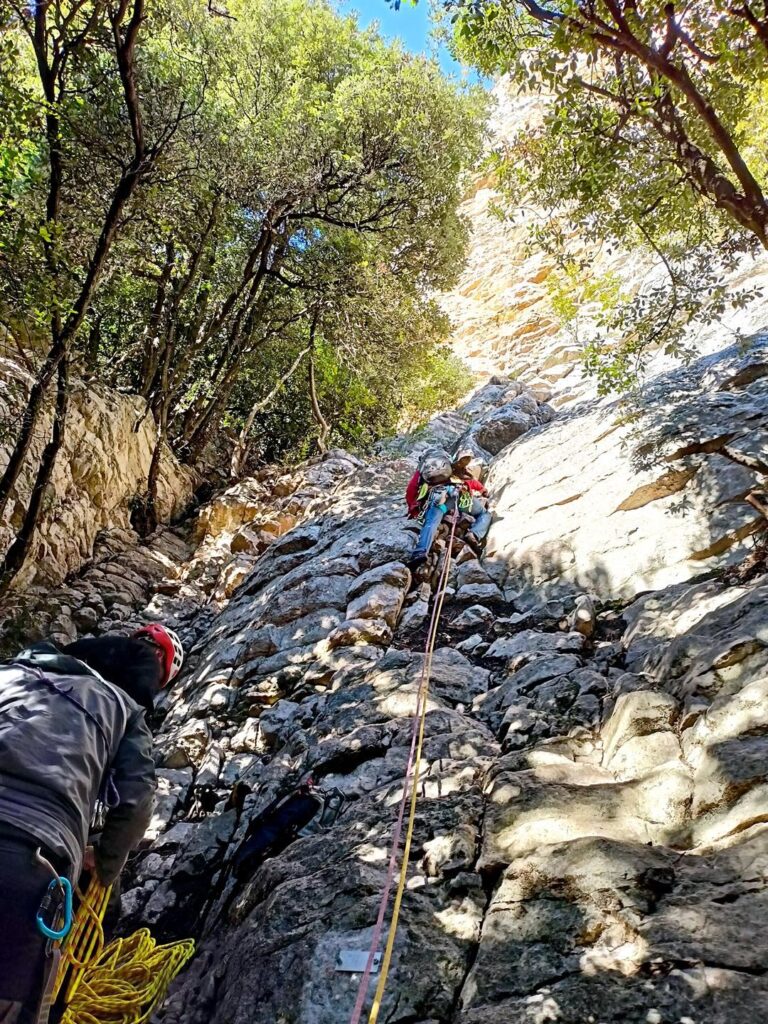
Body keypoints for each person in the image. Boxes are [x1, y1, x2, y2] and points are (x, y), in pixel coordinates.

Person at [0, 623, 182, 1024]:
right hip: (31, 859)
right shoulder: (121, 707)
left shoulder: (10, 673)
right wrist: (105, 861)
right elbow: (135, 802)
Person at [405, 448, 493, 569]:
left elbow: (411, 489)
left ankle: (420, 552)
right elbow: (468, 479)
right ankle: (474, 534)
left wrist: (413, 509)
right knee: (484, 514)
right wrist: (482, 490)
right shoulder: (450, 463)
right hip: (458, 496)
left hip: (439, 499)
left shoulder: (422, 470)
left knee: (431, 523)